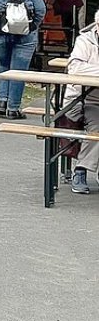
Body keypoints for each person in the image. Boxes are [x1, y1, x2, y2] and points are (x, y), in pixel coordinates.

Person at [64, 21, 99, 193]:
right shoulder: (85, 41)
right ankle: (81, 170)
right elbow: (75, 68)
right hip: (81, 99)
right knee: (98, 125)